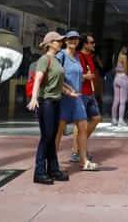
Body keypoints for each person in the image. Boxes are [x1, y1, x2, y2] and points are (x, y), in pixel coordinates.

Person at [26, 31, 70, 184]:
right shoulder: (44, 60)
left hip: (56, 101)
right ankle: (39, 172)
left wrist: (69, 92)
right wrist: (34, 98)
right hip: (46, 102)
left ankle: (53, 169)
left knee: (52, 136)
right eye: (58, 41)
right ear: (50, 43)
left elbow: (56, 82)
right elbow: (38, 80)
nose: (60, 43)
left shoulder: (56, 60)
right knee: (47, 136)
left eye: (61, 41)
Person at [54, 31, 94, 170]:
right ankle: (53, 163)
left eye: (76, 39)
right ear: (65, 41)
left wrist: (84, 78)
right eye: (70, 39)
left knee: (83, 128)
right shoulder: (61, 55)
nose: (73, 41)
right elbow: (54, 75)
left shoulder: (77, 56)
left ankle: (83, 161)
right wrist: (66, 89)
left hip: (77, 98)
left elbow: (78, 76)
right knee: (58, 132)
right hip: (64, 98)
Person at [69, 33, 102, 167]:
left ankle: (79, 146)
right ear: (85, 44)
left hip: (90, 92)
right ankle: (76, 151)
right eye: (91, 42)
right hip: (81, 92)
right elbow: (73, 74)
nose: (93, 45)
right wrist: (84, 77)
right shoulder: (78, 56)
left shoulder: (89, 56)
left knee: (96, 118)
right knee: (79, 122)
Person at [112, 44, 128, 127]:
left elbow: (115, 68)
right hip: (123, 78)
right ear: (123, 48)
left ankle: (114, 119)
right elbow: (126, 70)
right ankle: (121, 120)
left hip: (116, 78)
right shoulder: (124, 57)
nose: (127, 50)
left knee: (116, 100)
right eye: (126, 48)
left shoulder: (114, 56)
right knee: (123, 101)